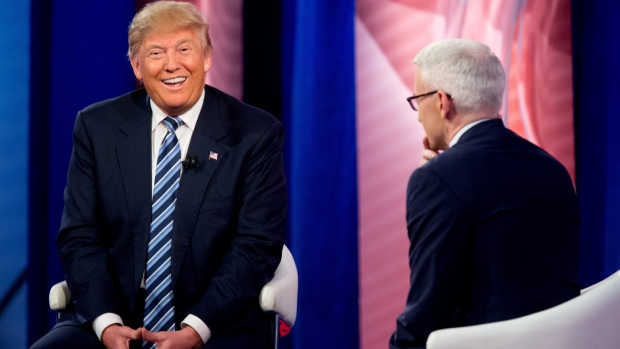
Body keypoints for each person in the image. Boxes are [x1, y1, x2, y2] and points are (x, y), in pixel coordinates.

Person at [31, 1, 287, 348]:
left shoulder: (254, 135)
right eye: (156, 53)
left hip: (217, 322)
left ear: (207, 56)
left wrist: (196, 329)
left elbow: (255, 248)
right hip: (116, 316)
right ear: (137, 66)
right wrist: (107, 325)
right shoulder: (97, 128)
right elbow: (79, 237)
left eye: (185, 49)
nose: (172, 65)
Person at [389, 38, 579, 348]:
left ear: (441, 101)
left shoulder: (436, 180)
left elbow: (428, 308)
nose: (418, 116)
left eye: (416, 100)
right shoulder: (553, 170)